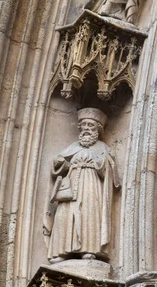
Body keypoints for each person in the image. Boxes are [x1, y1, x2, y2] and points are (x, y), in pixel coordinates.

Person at [43, 108, 119, 261]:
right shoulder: (73, 147)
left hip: (91, 184)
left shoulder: (103, 148)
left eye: (90, 126)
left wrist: (98, 163)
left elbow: (110, 172)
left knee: (89, 213)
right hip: (71, 185)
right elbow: (58, 168)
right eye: (83, 125)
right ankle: (61, 251)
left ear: (98, 129)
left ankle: (89, 249)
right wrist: (60, 163)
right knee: (65, 214)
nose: (86, 129)